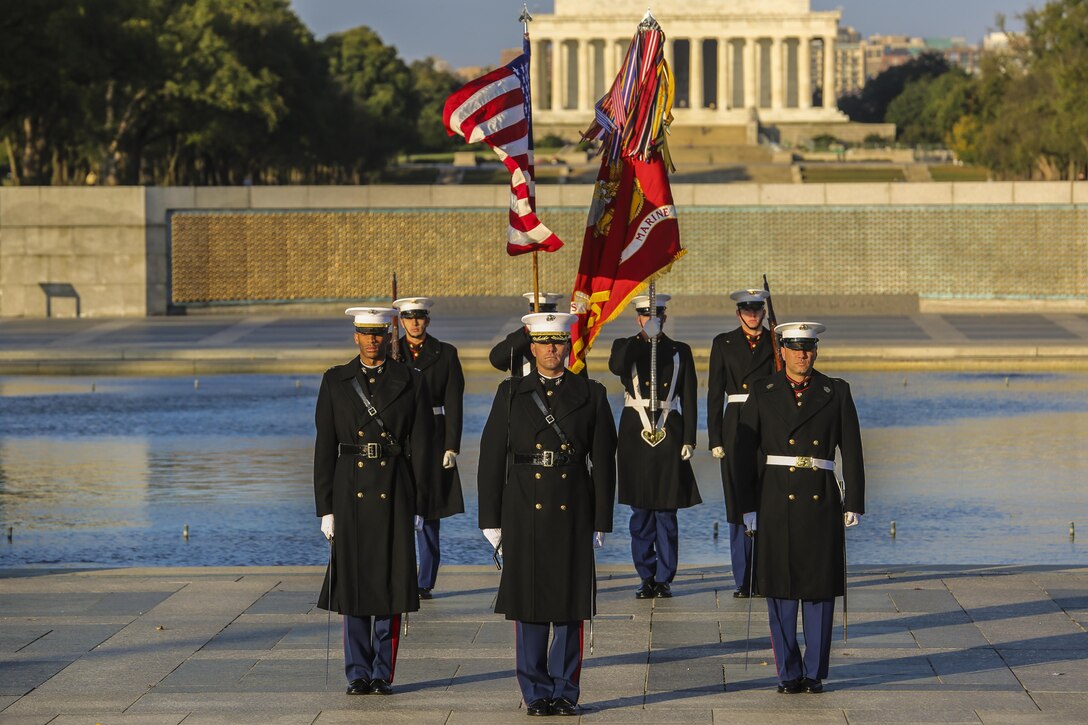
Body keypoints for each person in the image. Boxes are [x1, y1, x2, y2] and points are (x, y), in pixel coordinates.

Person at [478, 311, 617, 717]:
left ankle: (566, 690)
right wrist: (491, 518)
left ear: (567, 346)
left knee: (570, 606)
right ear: (532, 347)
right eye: (543, 342)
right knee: (531, 603)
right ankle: (536, 690)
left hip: (573, 507)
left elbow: (605, 461)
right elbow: (490, 458)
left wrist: (601, 519)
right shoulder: (510, 393)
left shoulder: (592, 393)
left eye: (558, 342)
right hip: (523, 507)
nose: (551, 349)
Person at [733, 321, 865, 695]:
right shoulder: (763, 390)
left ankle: (815, 671)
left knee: (820, 588)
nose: (801, 354)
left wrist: (854, 499)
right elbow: (744, 454)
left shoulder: (836, 391)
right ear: (783, 352)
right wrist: (746, 505)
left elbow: (852, 449)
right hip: (775, 496)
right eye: (794, 347)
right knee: (780, 588)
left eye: (807, 347)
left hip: (820, 495)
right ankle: (788, 672)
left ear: (816, 351)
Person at [313, 306, 439, 696]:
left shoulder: (411, 380)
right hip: (350, 488)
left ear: (388, 336)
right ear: (355, 336)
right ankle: (357, 671)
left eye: (378, 333)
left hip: (395, 487)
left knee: (391, 581)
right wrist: (326, 508)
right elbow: (324, 447)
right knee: (352, 583)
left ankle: (382, 671)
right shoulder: (335, 381)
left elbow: (422, 446)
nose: (371, 340)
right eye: (365, 334)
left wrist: (421, 504)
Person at [608, 293, 701, 599]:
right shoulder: (626, 345)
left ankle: (664, 577)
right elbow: (617, 365)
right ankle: (645, 574)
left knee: (666, 510)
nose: (652, 320)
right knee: (641, 511)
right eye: (647, 316)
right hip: (636, 430)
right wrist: (641, 338)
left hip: (669, 429)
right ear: (638, 318)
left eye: (657, 316)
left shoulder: (679, 350)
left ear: (665, 316)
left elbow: (689, 395)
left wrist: (689, 438)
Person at [392, 296, 466, 600]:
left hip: (433, 434)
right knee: (397, 508)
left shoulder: (445, 354)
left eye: (419, 317)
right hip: (400, 435)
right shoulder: (391, 351)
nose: (414, 323)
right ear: (401, 321)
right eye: (408, 318)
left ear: (427, 320)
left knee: (428, 510)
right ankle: (400, 574)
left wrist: (452, 445)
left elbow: (454, 402)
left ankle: (425, 579)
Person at [707, 288, 777, 598]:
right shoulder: (723, 343)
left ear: (763, 312)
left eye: (757, 309)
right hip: (735, 424)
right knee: (737, 504)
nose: (752, 314)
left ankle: (764, 575)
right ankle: (743, 578)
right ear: (738, 313)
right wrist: (715, 437)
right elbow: (713, 392)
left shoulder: (775, 341)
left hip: (766, 422)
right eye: (746, 310)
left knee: (767, 500)